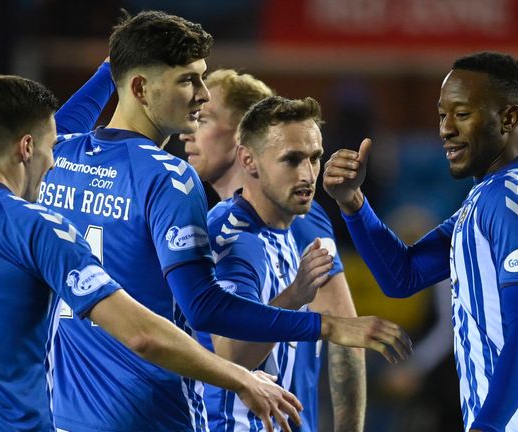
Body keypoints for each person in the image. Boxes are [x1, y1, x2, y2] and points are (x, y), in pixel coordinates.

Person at [0, 74, 307, 432]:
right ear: (27, 147)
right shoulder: (34, 227)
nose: (55, 164)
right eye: (51, 149)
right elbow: (141, 334)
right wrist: (238, 377)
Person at [41, 10, 412, 432]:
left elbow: (54, 129)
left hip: (66, 417)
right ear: (141, 87)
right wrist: (322, 326)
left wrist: (115, 64)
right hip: (154, 416)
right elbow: (205, 309)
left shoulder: (60, 157)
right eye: (188, 80)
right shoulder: (168, 177)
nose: (200, 96)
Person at [322, 51, 518, 432]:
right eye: (442, 115)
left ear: (509, 118)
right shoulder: (489, 197)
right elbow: (403, 276)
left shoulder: (515, 199)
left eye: (461, 114)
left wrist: (487, 426)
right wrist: (353, 202)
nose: (445, 129)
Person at [179, 70, 366, 431]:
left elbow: (346, 335)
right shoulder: (228, 222)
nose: (188, 131)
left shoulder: (302, 218)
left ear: (242, 139)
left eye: (203, 118)